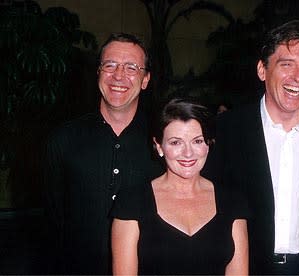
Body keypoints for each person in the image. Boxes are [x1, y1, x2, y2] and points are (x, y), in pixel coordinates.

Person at [212, 20, 299, 274]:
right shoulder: (225, 131)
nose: (298, 78)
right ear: (262, 70)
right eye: (286, 64)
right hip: (246, 268)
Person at [43, 33, 158, 274]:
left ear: (145, 79)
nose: (118, 76)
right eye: (110, 65)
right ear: (98, 72)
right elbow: (53, 221)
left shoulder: (163, 143)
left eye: (131, 67)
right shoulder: (63, 139)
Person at [111, 98, 248, 275]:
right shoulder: (131, 203)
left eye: (197, 141)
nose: (188, 153)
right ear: (159, 146)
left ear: (209, 143)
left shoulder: (233, 202)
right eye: (176, 142)